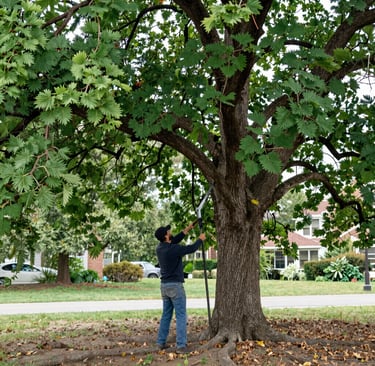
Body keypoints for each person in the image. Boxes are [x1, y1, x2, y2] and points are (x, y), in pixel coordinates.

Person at [155, 222, 206, 354]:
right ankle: (181, 346)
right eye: (168, 231)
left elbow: (174, 240)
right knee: (181, 315)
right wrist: (200, 239)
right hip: (175, 287)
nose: (169, 232)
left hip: (164, 286)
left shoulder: (160, 248)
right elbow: (190, 249)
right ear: (166, 236)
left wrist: (186, 230)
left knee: (166, 315)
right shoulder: (173, 249)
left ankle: (160, 343)